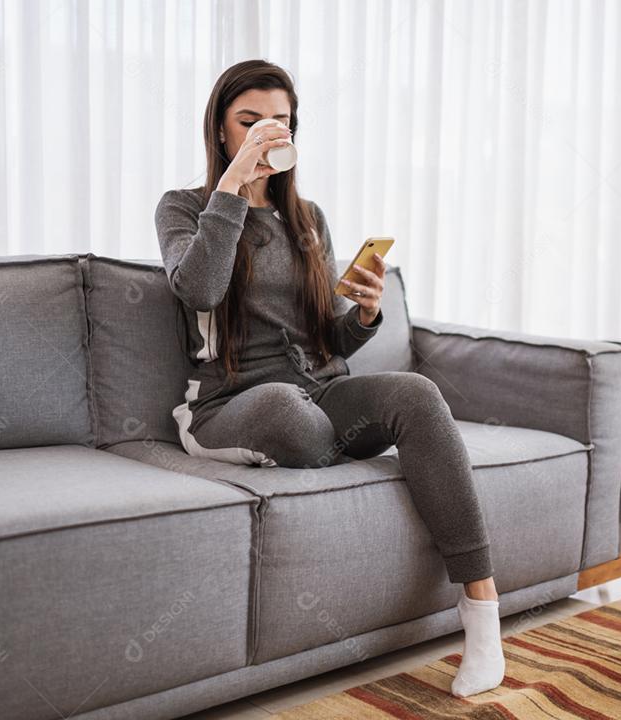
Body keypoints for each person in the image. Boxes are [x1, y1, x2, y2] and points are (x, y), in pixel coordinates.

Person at [154, 59, 505, 697]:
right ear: (221, 131)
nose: (267, 131)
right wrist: (234, 185)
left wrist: (365, 315)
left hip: (319, 392)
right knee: (293, 416)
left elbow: (327, 339)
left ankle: (482, 619)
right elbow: (199, 286)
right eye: (250, 120)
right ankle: (323, 437)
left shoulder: (308, 218)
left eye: (280, 122)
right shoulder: (184, 207)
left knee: (417, 395)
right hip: (230, 402)